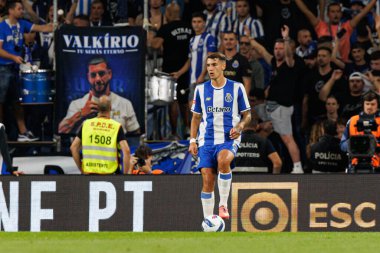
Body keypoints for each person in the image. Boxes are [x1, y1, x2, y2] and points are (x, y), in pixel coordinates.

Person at [189, 52, 251, 220]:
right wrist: (193, 140)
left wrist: (240, 126)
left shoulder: (237, 87)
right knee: (208, 180)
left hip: (228, 138)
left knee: (223, 161)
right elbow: (196, 117)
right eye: (208, 65)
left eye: (214, 65)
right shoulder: (200, 90)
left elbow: (247, 115)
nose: (211, 69)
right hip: (206, 140)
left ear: (223, 66)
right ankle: (209, 221)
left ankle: (223, 204)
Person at [250, 25, 304, 173]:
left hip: (282, 107)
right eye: (276, 48)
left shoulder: (291, 63)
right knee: (250, 115)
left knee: (287, 138)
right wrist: (249, 39)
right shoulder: (274, 63)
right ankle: (254, 159)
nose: (278, 51)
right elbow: (262, 51)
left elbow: (288, 55)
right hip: (269, 107)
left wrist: (286, 37)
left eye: (281, 48)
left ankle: (298, 167)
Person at [0, 0, 53, 141]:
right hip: (2, 68)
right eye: (19, 9)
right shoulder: (1, 27)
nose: (22, 11)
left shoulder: (22, 24)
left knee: (17, 101)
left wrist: (55, 25)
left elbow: (41, 29)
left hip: (15, 68)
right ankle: (0, 132)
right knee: (1, 102)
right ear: (10, 10)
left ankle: (23, 132)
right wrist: (13, 57)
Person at [58, 57, 140, 135]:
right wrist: (81, 114)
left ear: (109, 74)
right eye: (93, 75)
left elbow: (136, 135)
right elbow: (61, 131)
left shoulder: (125, 104)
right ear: (88, 77)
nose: (98, 79)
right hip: (85, 150)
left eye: (101, 73)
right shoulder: (77, 105)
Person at [295, 0, 377, 62]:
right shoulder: (320, 26)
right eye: (333, 12)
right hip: (324, 63)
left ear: (341, 14)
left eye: (338, 11)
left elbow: (363, 13)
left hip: (342, 64)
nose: (336, 14)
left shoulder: (347, 26)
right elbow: (305, 11)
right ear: (328, 14)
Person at [70, 95, 131, 174]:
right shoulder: (116, 126)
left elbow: (73, 148)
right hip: (111, 174)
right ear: (111, 107)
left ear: (97, 107)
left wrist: (82, 170)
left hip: (89, 174)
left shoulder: (86, 124)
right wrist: (125, 175)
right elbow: (126, 151)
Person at [340, 91, 380, 171]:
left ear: (378, 105)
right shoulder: (352, 121)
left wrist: (375, 145)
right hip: (355, 164)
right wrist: (354, 145)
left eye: (372, 104)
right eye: (367, 104)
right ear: (363, 105)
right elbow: (342, 145)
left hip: (377, 165)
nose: (369, 107)